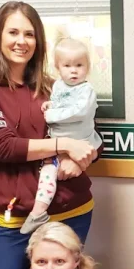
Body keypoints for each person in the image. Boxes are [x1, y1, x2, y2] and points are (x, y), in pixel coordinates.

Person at [0, 2, 99, 269]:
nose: (21, 41)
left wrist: (80, 158)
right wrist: (63, 145)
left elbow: (90, 134)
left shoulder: (55, 87)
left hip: (72, 212)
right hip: (18, 219)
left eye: (29, 34)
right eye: (13, 32)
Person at [20, 37, 102, 235]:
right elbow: (59, 102)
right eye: (67, 66)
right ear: (58, 68)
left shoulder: (86, 90)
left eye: (79, 65)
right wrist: (51, 105)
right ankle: (38, 212)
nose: (73, 71)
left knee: (51, 172)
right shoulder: (58, 85)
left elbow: (78, 112)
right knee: (48, 173)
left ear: (88, 68)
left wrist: (51, 114)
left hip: (81, 142)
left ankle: (39, 210)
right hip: (56, 146)